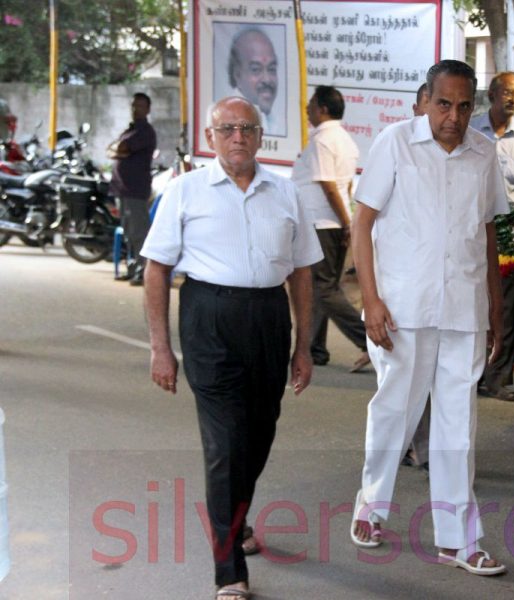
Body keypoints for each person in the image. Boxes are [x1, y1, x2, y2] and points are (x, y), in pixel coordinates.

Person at [141, 96, 322, 600]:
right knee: (224, 443)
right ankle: (229, 572)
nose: (237, 137)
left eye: (246, 128)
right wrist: (160, 348)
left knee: (259, 433)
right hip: (208, 320)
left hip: (267, 318)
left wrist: (303, 347)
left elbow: (303, 272)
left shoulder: (285, 193)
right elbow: (156, 269)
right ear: (210, 136)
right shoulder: (185, 191)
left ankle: (234, 516)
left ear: (261, 136)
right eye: (226, 129)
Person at [349, 59, 508, 576]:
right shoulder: (394, 144)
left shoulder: (485, 154)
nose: (454, 117)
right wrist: (371, 301)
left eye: (465, 107)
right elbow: (363, 223)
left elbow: (485, 231)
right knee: (395, 411)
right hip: (403, 308)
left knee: (457, 426)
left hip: (464, 309)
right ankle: (371, 507)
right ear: (426, 100)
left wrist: (495, 304)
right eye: (445, 104)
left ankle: (458, 540)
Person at [471, 71, 514, 401]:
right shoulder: (471, 130)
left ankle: (499, 379)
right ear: (492, 95)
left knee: (506, 304)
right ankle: (472, 375)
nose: (512, 99)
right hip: (473, 227)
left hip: (509, 232)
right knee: (475, 302)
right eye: (507, 92)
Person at [291, 85, 369, 372]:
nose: (307, 108)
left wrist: (348, 223)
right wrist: (347, 221)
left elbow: (328, 186)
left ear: (323, 109)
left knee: (323, 289)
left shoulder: (324, 140)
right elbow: (345, 185)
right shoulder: (346, 140)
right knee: (317, 288)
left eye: (311, 103)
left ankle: (369, 340)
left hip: (322, 223)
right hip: (332, 222)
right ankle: (315, 348)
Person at [400, 82, 431, 472]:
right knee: (405, 383)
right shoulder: (398, 152)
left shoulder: (464, 156)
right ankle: (409, 446)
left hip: (441, 296)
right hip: (403, 293)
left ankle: (425, 451)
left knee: (434, 385)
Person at [109, 92, 157, 286]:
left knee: (139, 233)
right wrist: (118, 148)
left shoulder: (145, 131)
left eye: (140, 106)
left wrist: (118, 148)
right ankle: (133, 268)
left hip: (135, 189)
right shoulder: (130, 129)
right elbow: (112, 149)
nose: (136, 109)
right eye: (133, 105)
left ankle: (144, 272)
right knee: (129, 233)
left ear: (148, 109)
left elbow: (120, 148)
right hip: (122, 190)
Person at [228, 28, 283, 136]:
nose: (267, 79)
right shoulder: (226, 118)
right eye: (256, 69)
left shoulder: (272, 121)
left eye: (271, 69)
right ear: (237, 75)